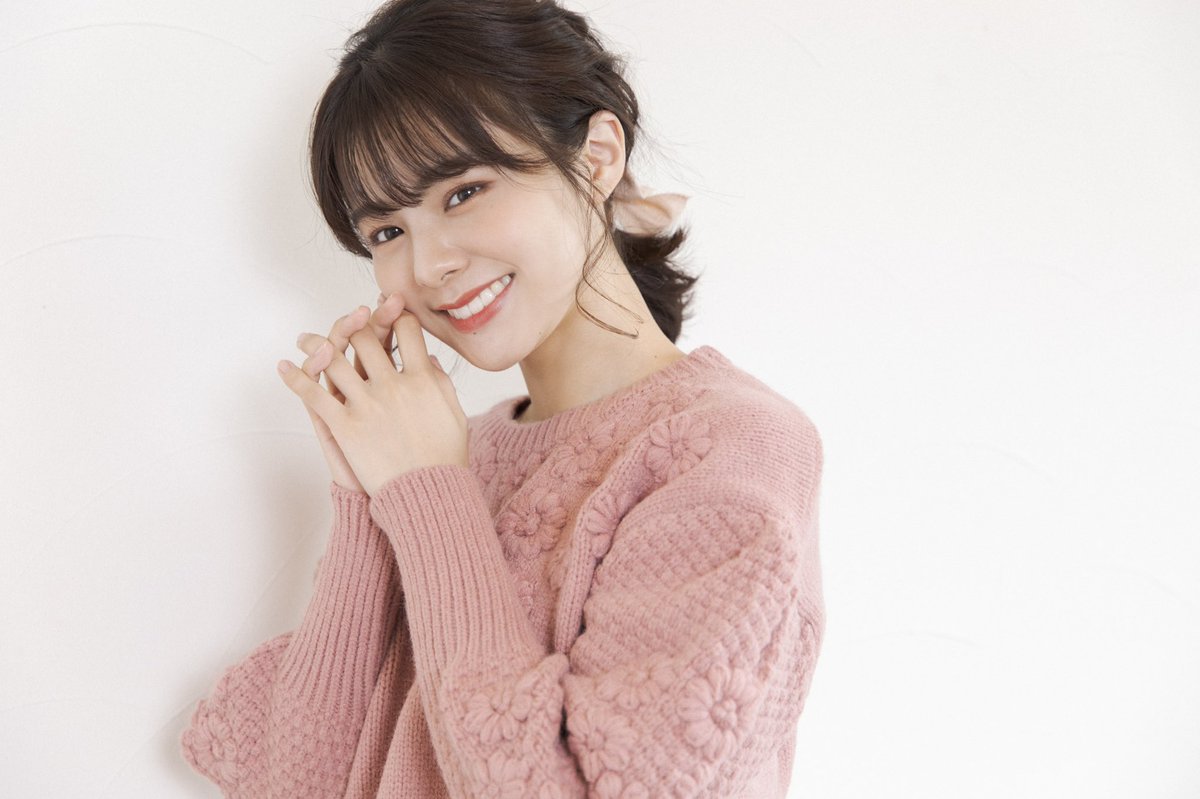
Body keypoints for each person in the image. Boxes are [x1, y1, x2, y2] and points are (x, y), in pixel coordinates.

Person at [179, 0, 825, 796]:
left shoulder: (733, 446)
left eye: (463, 192)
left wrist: (426, 491)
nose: (430, 265)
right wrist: (365, 500)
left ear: (596, 158)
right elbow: (306, 780)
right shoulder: (453, 452)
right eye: (386, 232)